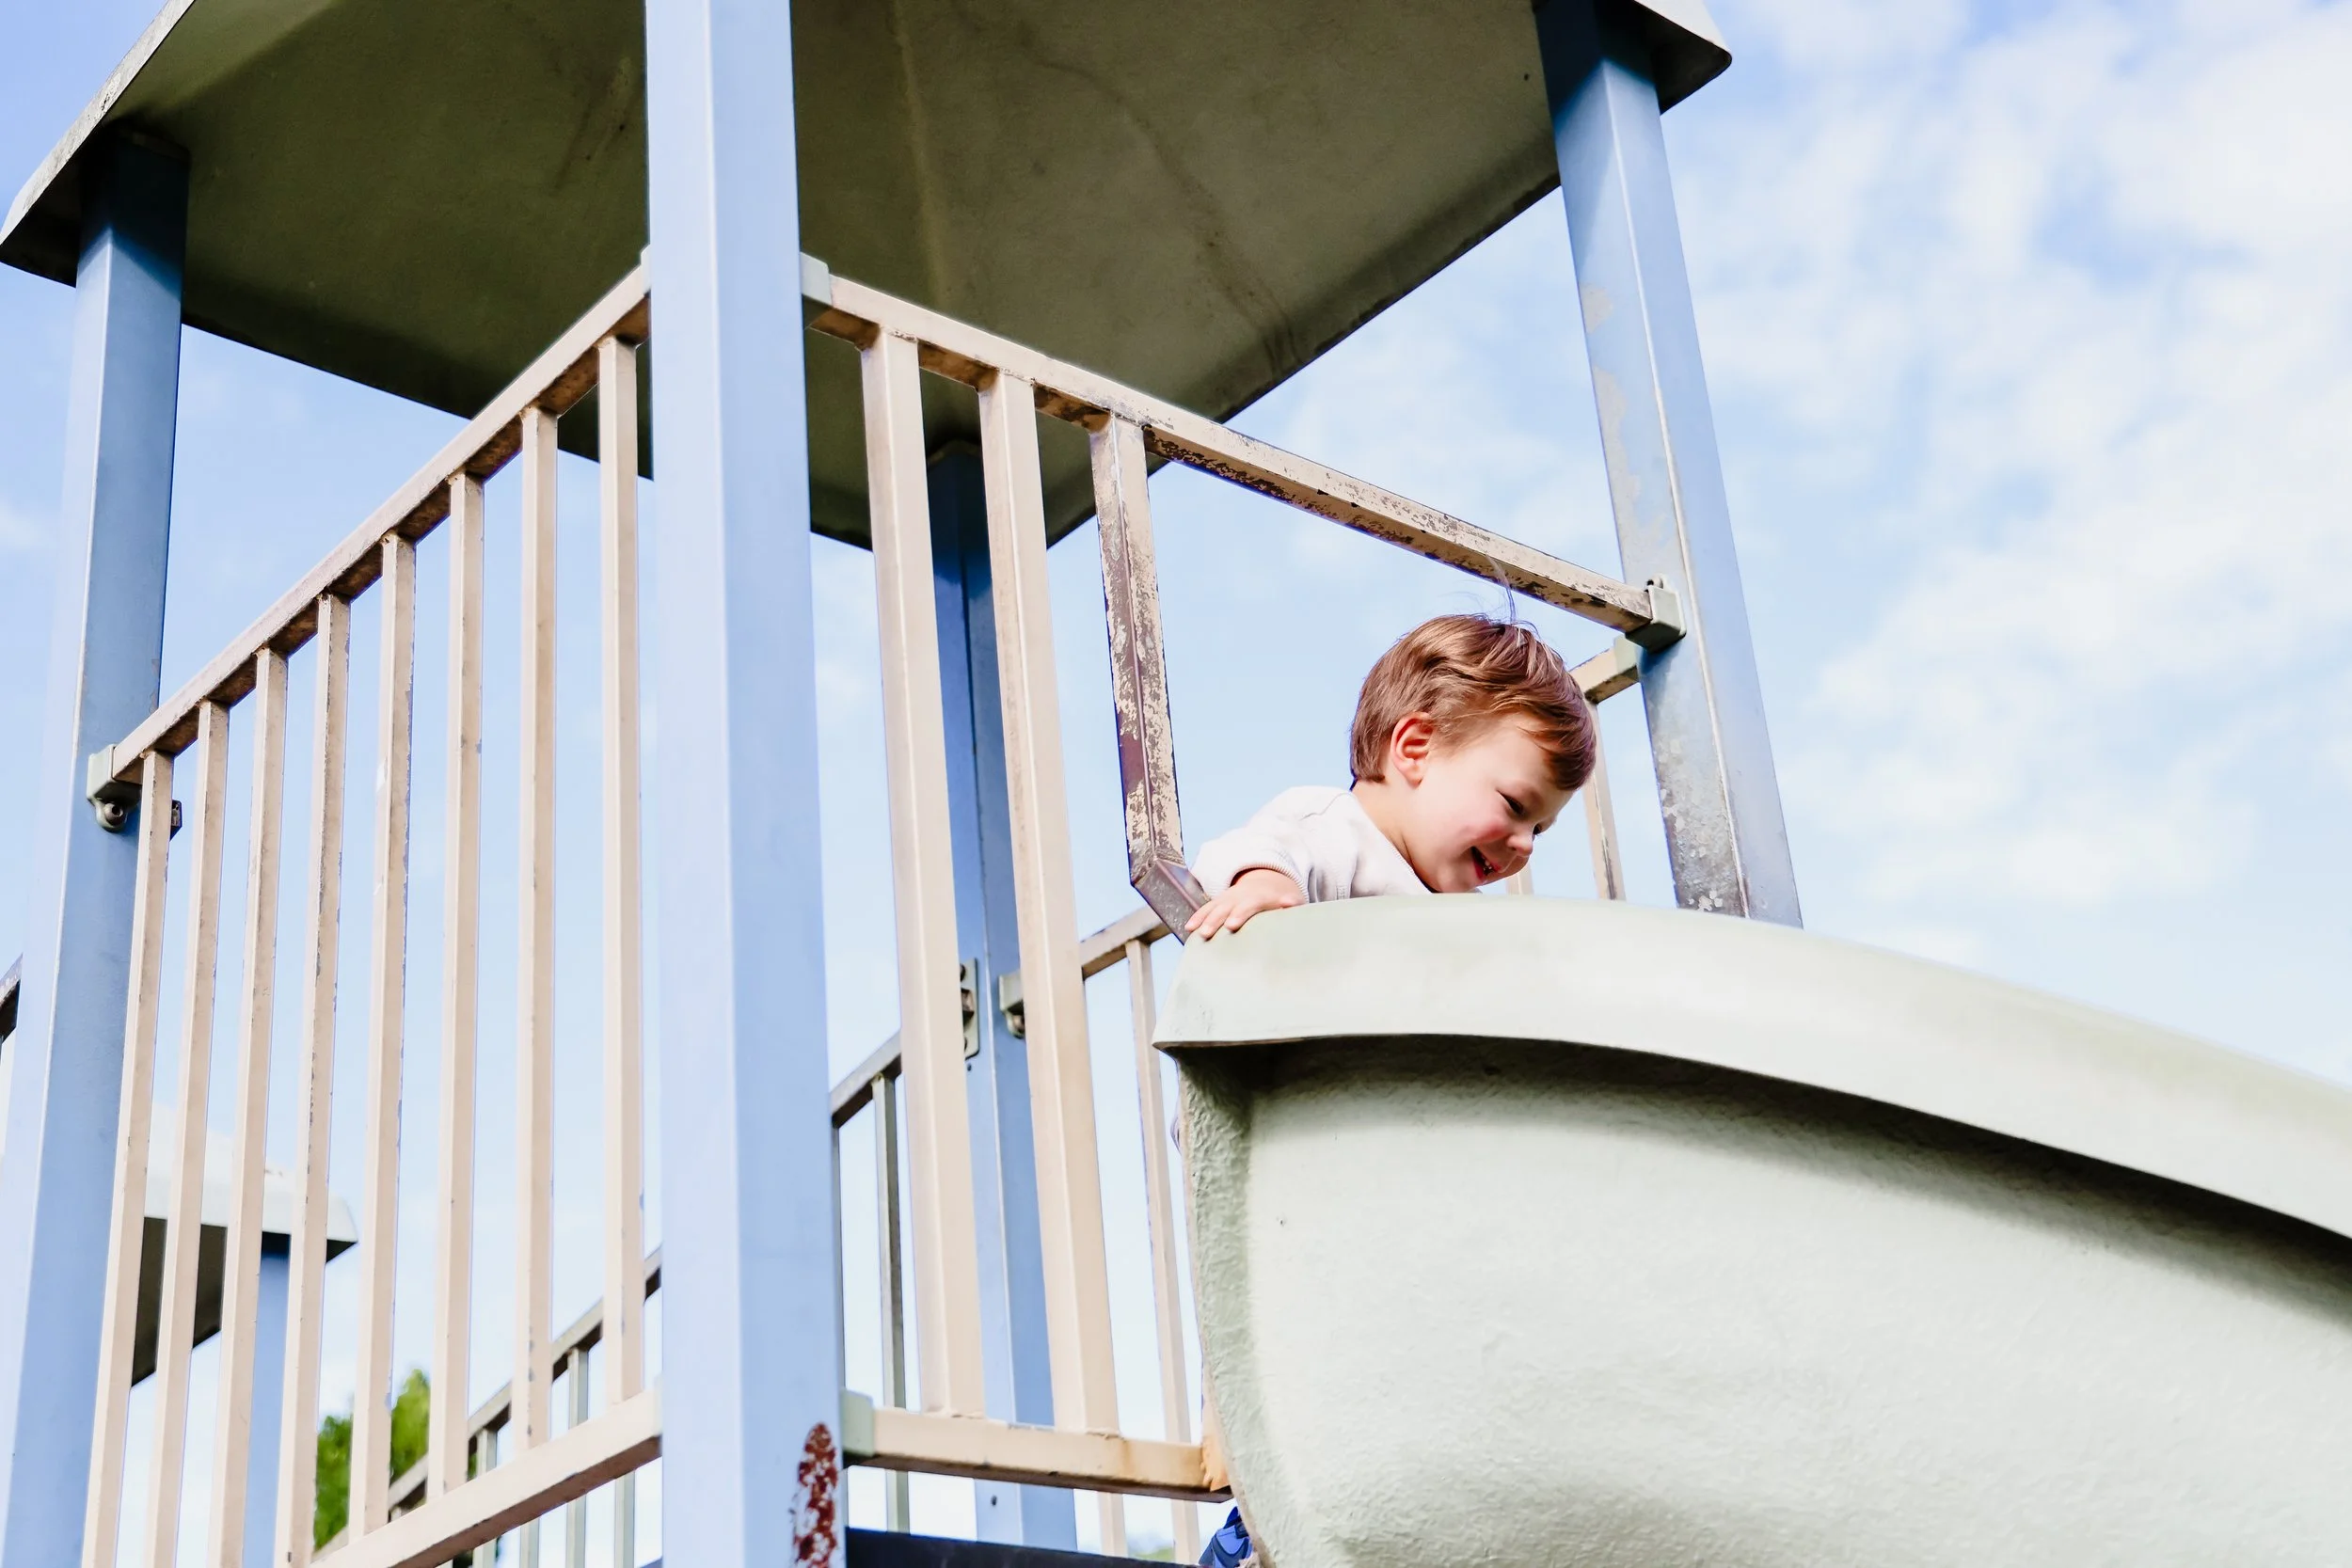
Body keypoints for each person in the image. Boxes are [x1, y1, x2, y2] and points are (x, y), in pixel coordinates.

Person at [1186, 612, 1597, 941]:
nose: (1525, 845)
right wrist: (1264, 884)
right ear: (1417, 747)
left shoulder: (1468, 915)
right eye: (1514, 805)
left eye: (1539, 829)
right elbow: (1243, 851)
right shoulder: (1335, 834)